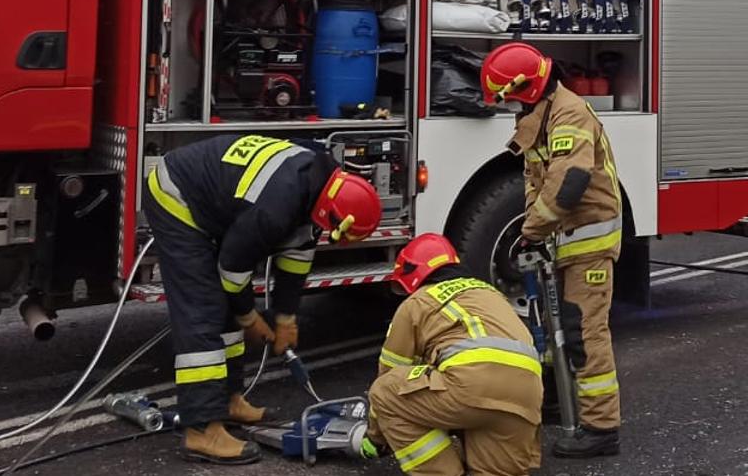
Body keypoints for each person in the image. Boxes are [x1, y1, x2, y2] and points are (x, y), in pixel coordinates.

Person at [143, 134, 383, 465]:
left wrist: (286, 318)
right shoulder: (277, 206)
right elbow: (232, 269)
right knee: (204, 309)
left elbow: (296, 261)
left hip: (214, 197)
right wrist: (250, 318)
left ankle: (227, 400)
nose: (328, 234)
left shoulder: (318, 185)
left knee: (222, 304)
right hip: (178, 194)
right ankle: (201, 430)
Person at [481, 41, 623, 458]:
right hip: (568, 241)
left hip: (589, 243)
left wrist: (531, 230)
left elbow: (571, 180)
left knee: (584, 332)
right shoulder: (541, 114)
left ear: (525, 88)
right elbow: (537, 180)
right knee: (557, 330)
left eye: (508, 98)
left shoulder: (569, 113)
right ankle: (559, 398)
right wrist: (536, 232)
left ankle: (600, 428)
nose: (508, 108)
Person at [367, 234, 544, 475]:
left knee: (385, 391)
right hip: (527, 393)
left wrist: (375, 438)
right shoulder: (490, 293)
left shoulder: (418, 301)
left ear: (414, 274)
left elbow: (389, 373)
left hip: (469, 387)